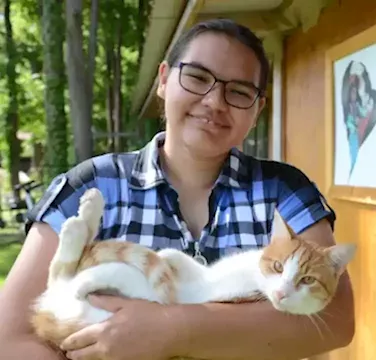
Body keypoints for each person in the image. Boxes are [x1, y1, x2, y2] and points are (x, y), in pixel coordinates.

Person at [0, 18, 355, 360]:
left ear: (258, 109)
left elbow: (336, 322)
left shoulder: (285, 191)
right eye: (198, 77)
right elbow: (9, 338)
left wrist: (173, 330)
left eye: (239, 91)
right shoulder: (91, 185)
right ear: (164, 80)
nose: (215, 102)